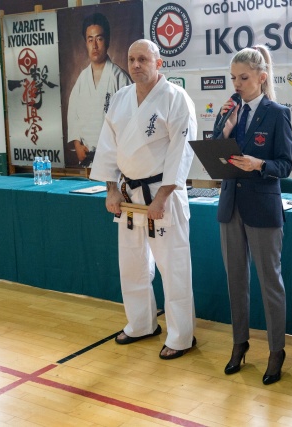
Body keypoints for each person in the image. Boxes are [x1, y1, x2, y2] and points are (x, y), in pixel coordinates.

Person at [89, 39, 197, 360]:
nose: (136, 65)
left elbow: (181, 152)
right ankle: (141, 324)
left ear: (158, 63)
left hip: (163, 196)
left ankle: (181, 336)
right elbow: (107, 146)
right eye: (131, 59)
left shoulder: (176, 98)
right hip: (129, 196)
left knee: (173, 268)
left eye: (143, 59)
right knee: (132, 265)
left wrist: (162, 196)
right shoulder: (121, 98)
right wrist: (111, 188)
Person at [212, 45, 292, 385]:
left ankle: (276, 350)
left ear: (261, 77)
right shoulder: (228, 112)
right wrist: (225, 128)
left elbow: (285, 165)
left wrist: (260, 164)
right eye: (233, 78)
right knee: (235, 281)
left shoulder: (277, 113)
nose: (237, 84)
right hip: (230, 205)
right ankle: (239, 343)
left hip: (262, 206)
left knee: (270, 282)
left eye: (243, 78)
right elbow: (215, 152)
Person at [67, 12, 131, 168]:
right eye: (90, 40)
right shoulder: (82, 79)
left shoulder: (119, 77)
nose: (94, 45)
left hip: (114, 158)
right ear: (86, 43)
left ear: (107, 41)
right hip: (87, 158)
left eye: (99, 39)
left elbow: (131, 118)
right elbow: (73, 115)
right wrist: (77, 144)